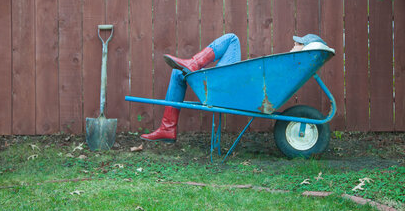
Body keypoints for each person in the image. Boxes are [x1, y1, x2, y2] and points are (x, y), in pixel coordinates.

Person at [140, 33, 333, 142]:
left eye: (297, 44)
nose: (292, 45)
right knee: (178, 73)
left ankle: (191, 66)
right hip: (229, 86)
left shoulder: (292, 63)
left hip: (227, 88)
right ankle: (167, 128)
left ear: (307, 49)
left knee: (232, 39)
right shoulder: (292, 66)